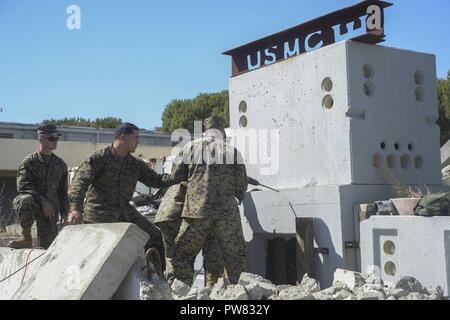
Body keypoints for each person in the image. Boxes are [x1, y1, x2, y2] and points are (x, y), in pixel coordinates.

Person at [68, 122, 181, 267]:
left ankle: (154, 278)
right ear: (122, 137)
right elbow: (79, 184)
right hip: (99, 213)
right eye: (135, 138)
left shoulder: (135, 164)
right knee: (101, 252)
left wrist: (179, 174)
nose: (138, 142)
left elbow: (156, 180)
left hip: (124, 211)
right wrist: (76, 209)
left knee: (154, 237)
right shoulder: (98, 159)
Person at [170, 116, 248, 286]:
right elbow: (241, 185)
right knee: (234, 257)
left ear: (205, 130)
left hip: (196, 213)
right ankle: (238, 296)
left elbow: (176, 176)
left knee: (183, 254)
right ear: (222, 132)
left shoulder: (190, 147)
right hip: (227, 215)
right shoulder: (232, 151)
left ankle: (181, 293)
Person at [9, 124, 69, 249]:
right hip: (34, 205)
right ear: (41, 139)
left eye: (57, 138)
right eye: (51, 138)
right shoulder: (29, 162)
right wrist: (42, 201)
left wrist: (64, 213)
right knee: (24, 200)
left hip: (50, 212)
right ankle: (26, 238)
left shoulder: (61, 165)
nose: (55, 141)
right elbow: (23, 187)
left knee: (49, 249)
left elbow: (63, 192)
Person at [154, 181, 225, 287]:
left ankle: (173, 292)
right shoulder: (210, 173)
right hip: (186, 214)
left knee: (172, 258)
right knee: (187, 258)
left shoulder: (189, 169)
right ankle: (201, 292)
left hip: (166, 214)